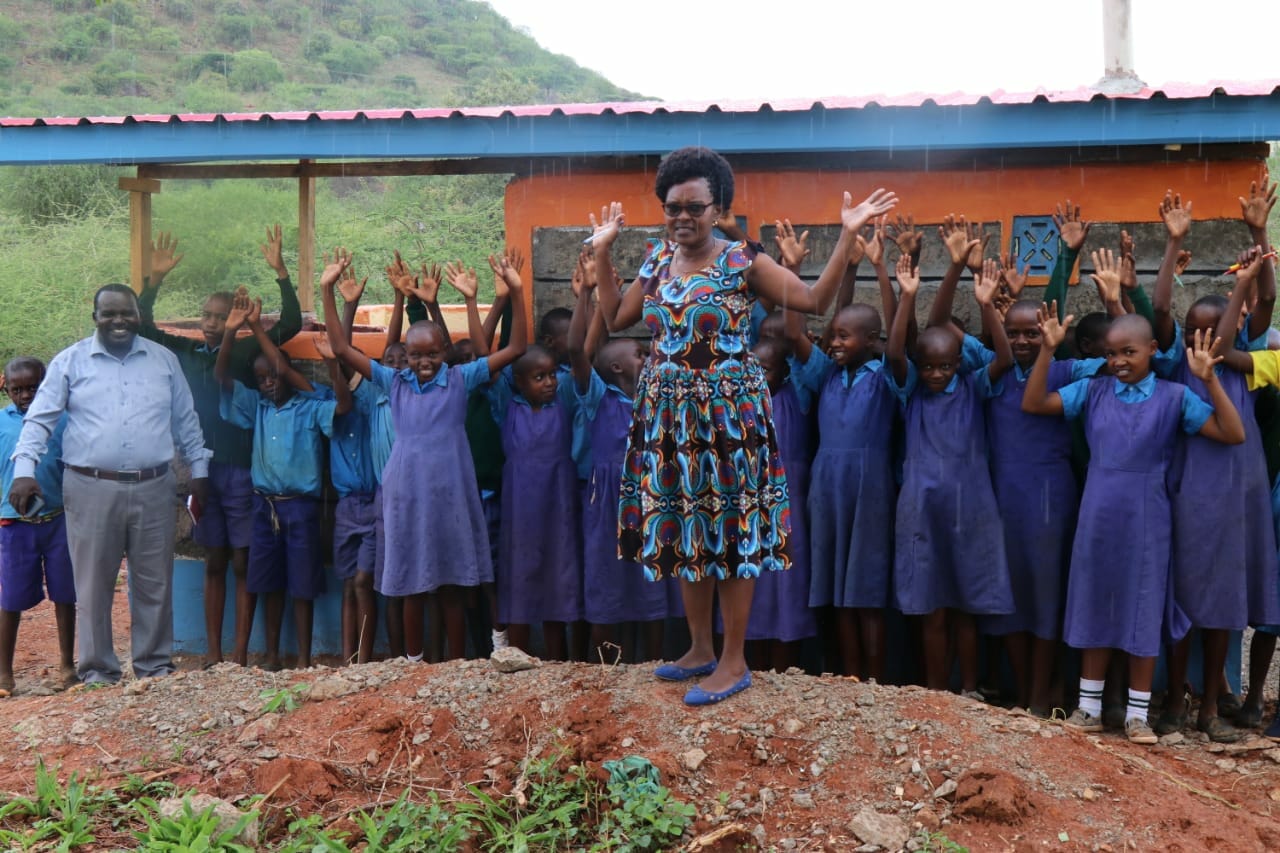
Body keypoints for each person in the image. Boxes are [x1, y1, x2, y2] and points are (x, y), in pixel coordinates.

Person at [591, 145, 897, 705]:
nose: (682, 217)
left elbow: (814, 299)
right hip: (669, 417)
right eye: (672, 207)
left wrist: (847, 235)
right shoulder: (657, 260)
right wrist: (606, 255)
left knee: (731, 530)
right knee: (687, 525)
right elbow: (617, 318)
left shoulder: (742, 260)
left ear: (718, 206)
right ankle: (699, 649)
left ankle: (733, 661)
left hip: (730, 418)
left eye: (694, 206)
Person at [1022, 302, 1246, 745]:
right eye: (1111, 354)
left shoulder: (1174, 397)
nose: (1118, 362)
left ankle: (1138, 716)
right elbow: (1033, 403)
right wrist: (1047, 351)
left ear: (1153, 350)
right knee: (1093, 601)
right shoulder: (1093, 391)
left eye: (1129, 353)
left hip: (1149, 516)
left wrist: (1209, 379)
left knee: (1142, 607)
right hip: (1098, 512)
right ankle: (1088, 709)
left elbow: (1232, 433)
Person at [325, 250, 528, 662]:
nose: (423, 362)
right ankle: (415, 663)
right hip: (406, 493)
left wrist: (516, 293)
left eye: (432, 354)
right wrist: (327, 290)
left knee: (452, 584)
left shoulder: (459, 378)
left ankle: (454, 664)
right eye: (415, 355)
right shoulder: (393, 381)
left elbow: (519, 345)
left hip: (451, 492)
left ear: (444, 352)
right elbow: (342, 350)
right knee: (412, 583)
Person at [9, 284, 211, 685]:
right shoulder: (70, 362)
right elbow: (40, 420)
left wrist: (200, 471)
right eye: (110, 314)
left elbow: (187, 420)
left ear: (138, 315)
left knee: (154, 581)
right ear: (95, 317)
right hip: (90, 486)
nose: (119, 321)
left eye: (127, 313)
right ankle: (98, 672)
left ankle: (154, 668)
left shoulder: (163, 361)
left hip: (155, 486)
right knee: (93, 583)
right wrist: (23, 471)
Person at [137, 226, 302, 666]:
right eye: (207, 316)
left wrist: (281, 273)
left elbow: (290, 324)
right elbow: (142, 325)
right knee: (213, 559)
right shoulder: (184, 353)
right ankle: (212, 652)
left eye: (220, 316)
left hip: (245, 469)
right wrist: (154, 281)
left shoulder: (247, 354)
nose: (211, 323)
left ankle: (241, 653)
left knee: (244, 561)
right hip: (204, 472)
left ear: (236, 318)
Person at [1150, 184, 1280, 743]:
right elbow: (1157, 309)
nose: (1204, 339)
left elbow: (1263, 308)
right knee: (1184, 598)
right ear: (1182, 338)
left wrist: (1259, 239)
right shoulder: (1179, 367)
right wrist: (1171, 244)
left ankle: (1209, 707)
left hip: (1240, 493)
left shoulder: (1242, 363)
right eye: (1192, 332)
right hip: (1191, 492)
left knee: (1225, 603)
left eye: (1213, 329)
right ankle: (1177, 701)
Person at [887, 252, 1015, 695]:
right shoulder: (911, 392)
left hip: (970, 507)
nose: (936, 374)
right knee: (932, 606)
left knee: (966, 605)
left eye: (946, 365)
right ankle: (937, 689)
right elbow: (894, 352)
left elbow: (1004, 358)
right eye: (928, 366)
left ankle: (971, 687)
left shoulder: (975, 386)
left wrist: (985, 306)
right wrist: (907, 298)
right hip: (922, 510)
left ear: (961, 361)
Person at [215, 290, 349, 670]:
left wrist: (258, 328)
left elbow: (341, 408)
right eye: (261, 379)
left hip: (301, 508)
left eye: (274, 375)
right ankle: (272, 655)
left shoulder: (309, 406)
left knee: (303, 586)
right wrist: (230, 333)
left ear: (288, 374)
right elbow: (222, 378)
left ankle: (304, 659)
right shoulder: (255, 408)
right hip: (263, 506)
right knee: (267, 583)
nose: (268, 383)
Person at [794, 234, 898, 683]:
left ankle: (873, 679)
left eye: (842, 337)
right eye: (832, 336)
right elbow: (796, 333)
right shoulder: (826, 374)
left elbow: (896, 339)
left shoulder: (886, 375)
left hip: (870, 487)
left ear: (872, 340)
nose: (833, 343)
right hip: (827, 486)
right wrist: (843, 270)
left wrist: (880, 270)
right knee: (835, 586)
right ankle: (845, 678)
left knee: (866, 589)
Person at [569, 254, 674, 663]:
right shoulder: (597, 398)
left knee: (654, 581)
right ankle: (604, 671)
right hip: (607, 502)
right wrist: (588, 296)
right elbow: (579, 351)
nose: (647, 358)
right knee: (605, 579)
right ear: (615, 367)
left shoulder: (660, 395)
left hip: (652, 494)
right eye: (638, 353)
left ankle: (653, 668)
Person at [0, 360, 75, 696]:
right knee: (11, 597)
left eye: (33, 387)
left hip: (59, 519)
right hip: (15, 524)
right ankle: (4, 673)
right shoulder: (1, 423)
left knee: (65, 593)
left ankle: (67, 665)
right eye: (18, 389)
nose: (26, 395)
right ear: (6, 389)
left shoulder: (62, 420)